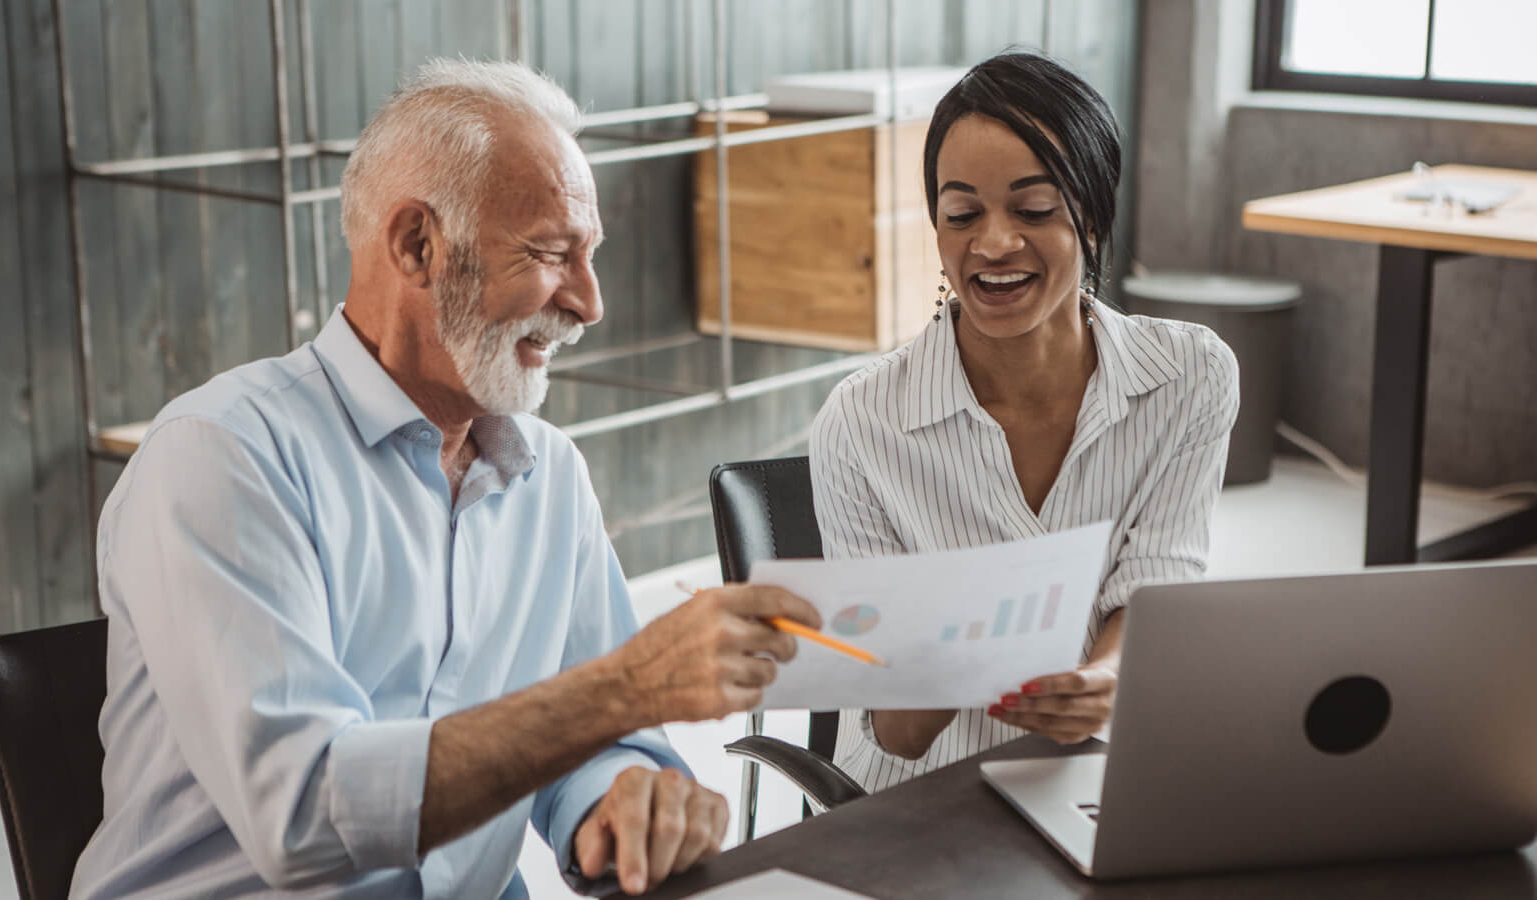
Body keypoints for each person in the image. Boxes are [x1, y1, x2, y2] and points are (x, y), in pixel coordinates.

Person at [70, 59, 820, 900]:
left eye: (590, 257)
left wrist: (625, 798)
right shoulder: (222, 455)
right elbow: (303, 812)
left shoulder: (551, 476)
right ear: (417, 246)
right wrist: (624, 688)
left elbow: (599, 745)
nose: (589, 302)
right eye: (550, 253)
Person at [808, 51, 1240, 792]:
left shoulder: (1190, 377)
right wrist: (962, 640)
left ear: (1093, 219)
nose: (993, 244)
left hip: (1094, 777)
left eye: (1034, 210)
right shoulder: (860, 422)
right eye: (962, 214)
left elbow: (1156, 587)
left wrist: (1102, 683)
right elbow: (896, 733)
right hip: (920, 797)